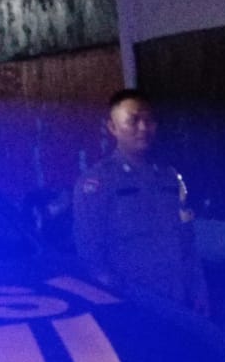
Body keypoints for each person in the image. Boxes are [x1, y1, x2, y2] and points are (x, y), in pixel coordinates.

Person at [73, 89, 211, 314]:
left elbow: (186, 238)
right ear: (113, 127)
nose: (144, 128)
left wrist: (198, 288)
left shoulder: (169, 176)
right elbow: (89, 248)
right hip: (133, 301)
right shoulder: (98, 181)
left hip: (176, 295)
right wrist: (112, 299)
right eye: (133, 120)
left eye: (149, 120)